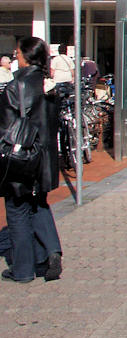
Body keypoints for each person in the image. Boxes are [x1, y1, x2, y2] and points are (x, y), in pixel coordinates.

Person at [0, 37, 63, 283]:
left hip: (21, 157)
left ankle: (23, 269)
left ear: (26, 56)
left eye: (17, 54)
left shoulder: (18, 85)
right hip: (44, 158)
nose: (16, 58)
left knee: (17, 210)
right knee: (38, 204)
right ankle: (48, 253)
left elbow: (5, 125)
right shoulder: (49, 84)